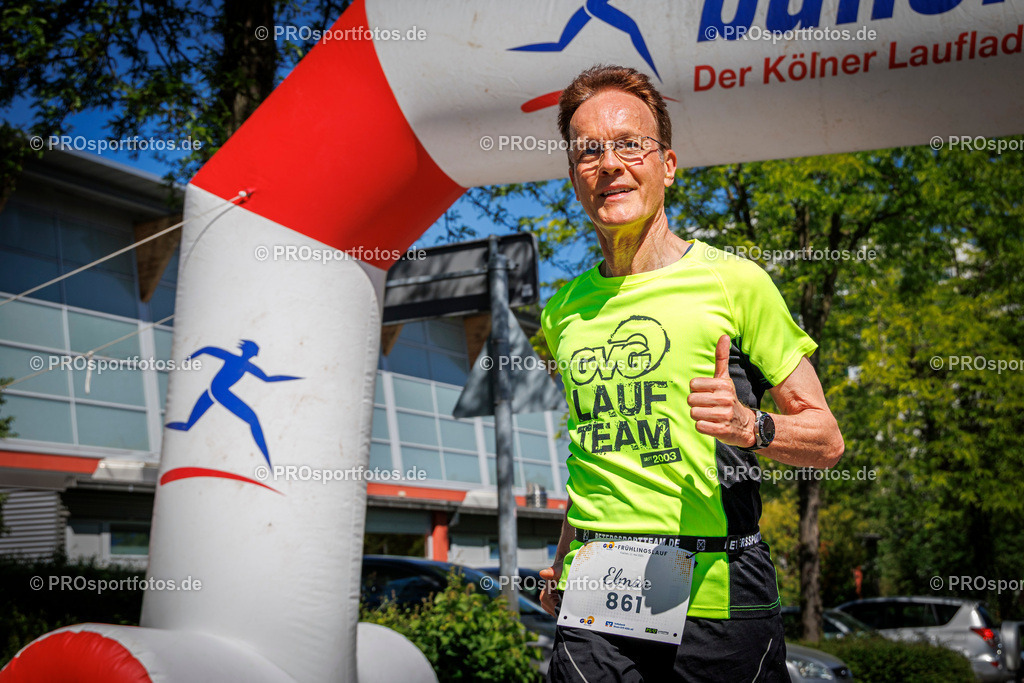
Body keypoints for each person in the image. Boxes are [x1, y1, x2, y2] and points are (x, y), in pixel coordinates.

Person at [538, 65, 844, 682]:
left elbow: (826, 440)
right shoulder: (561, 311)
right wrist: (564, 556)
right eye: (588, 151)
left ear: (668, 164)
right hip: (596, 587)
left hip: (717, 591)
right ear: (574, 175)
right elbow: (594, 449)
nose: (609, 164)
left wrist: (749, 425)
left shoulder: (735, 282)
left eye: (630, 144)